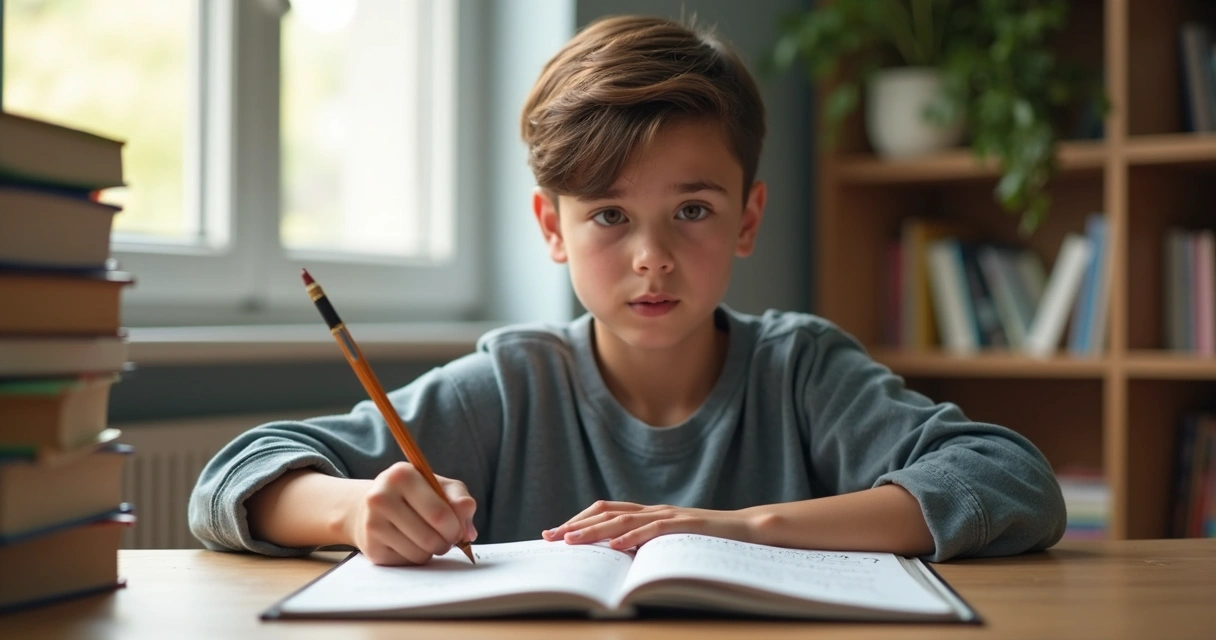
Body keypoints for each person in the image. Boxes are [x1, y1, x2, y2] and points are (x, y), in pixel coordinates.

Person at [188, 15, 1066, 566]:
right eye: (609, 215)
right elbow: (232, 479)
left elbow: (1013, 479)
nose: (653, 257)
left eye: (692, 208)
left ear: (748, 218)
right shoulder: (511, 384)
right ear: (550, 227)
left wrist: (742, 528)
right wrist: (352, 510)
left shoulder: (800, 371)